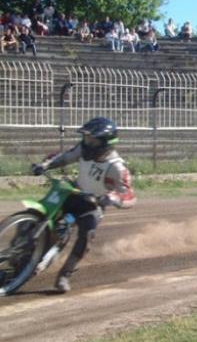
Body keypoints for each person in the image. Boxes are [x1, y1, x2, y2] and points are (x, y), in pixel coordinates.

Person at [30, 117, 136, 293]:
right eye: (86, 138)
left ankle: (65, 274)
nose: (87, 143)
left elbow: (129, 195)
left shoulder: (117, 168)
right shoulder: (82, 148)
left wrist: (111, 198)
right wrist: (44, 165)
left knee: (86, 237)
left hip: (93, 204)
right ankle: (25, 242)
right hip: (73, 192)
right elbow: (65, 157)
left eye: (92, 140)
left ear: (106, 143)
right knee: (40, 212)